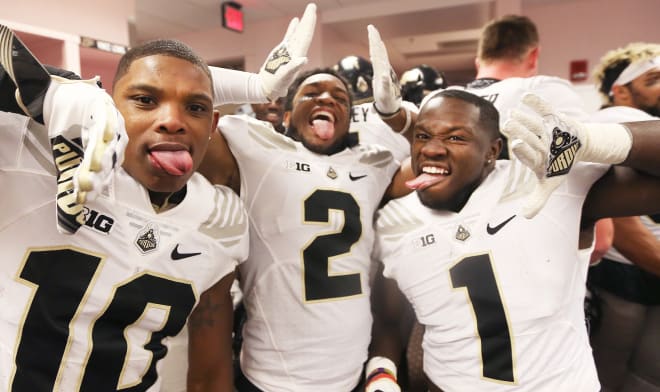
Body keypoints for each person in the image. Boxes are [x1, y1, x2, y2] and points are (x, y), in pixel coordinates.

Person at [0, 36, 251, 391]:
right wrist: (54, 88)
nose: (172, 121)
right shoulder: (33, 152)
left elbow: (211, 372)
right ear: (109, 106)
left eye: (195, 108)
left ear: (212, 127)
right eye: (145, 100)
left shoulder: (221, 218)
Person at [370, 88, 660, 391]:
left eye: (456, 137)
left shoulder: (546, 185)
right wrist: (381, 372)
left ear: (492, 152)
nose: (432, 149)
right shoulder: (395, 222)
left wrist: (595, 141)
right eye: (423, 136)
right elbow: (389, 318)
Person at [586, 42, 660, 392]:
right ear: (622, 91)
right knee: (611, 376)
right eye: (654, 79)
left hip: (643, 276)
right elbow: (620, 223)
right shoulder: (614, 120)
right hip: (625, 278)